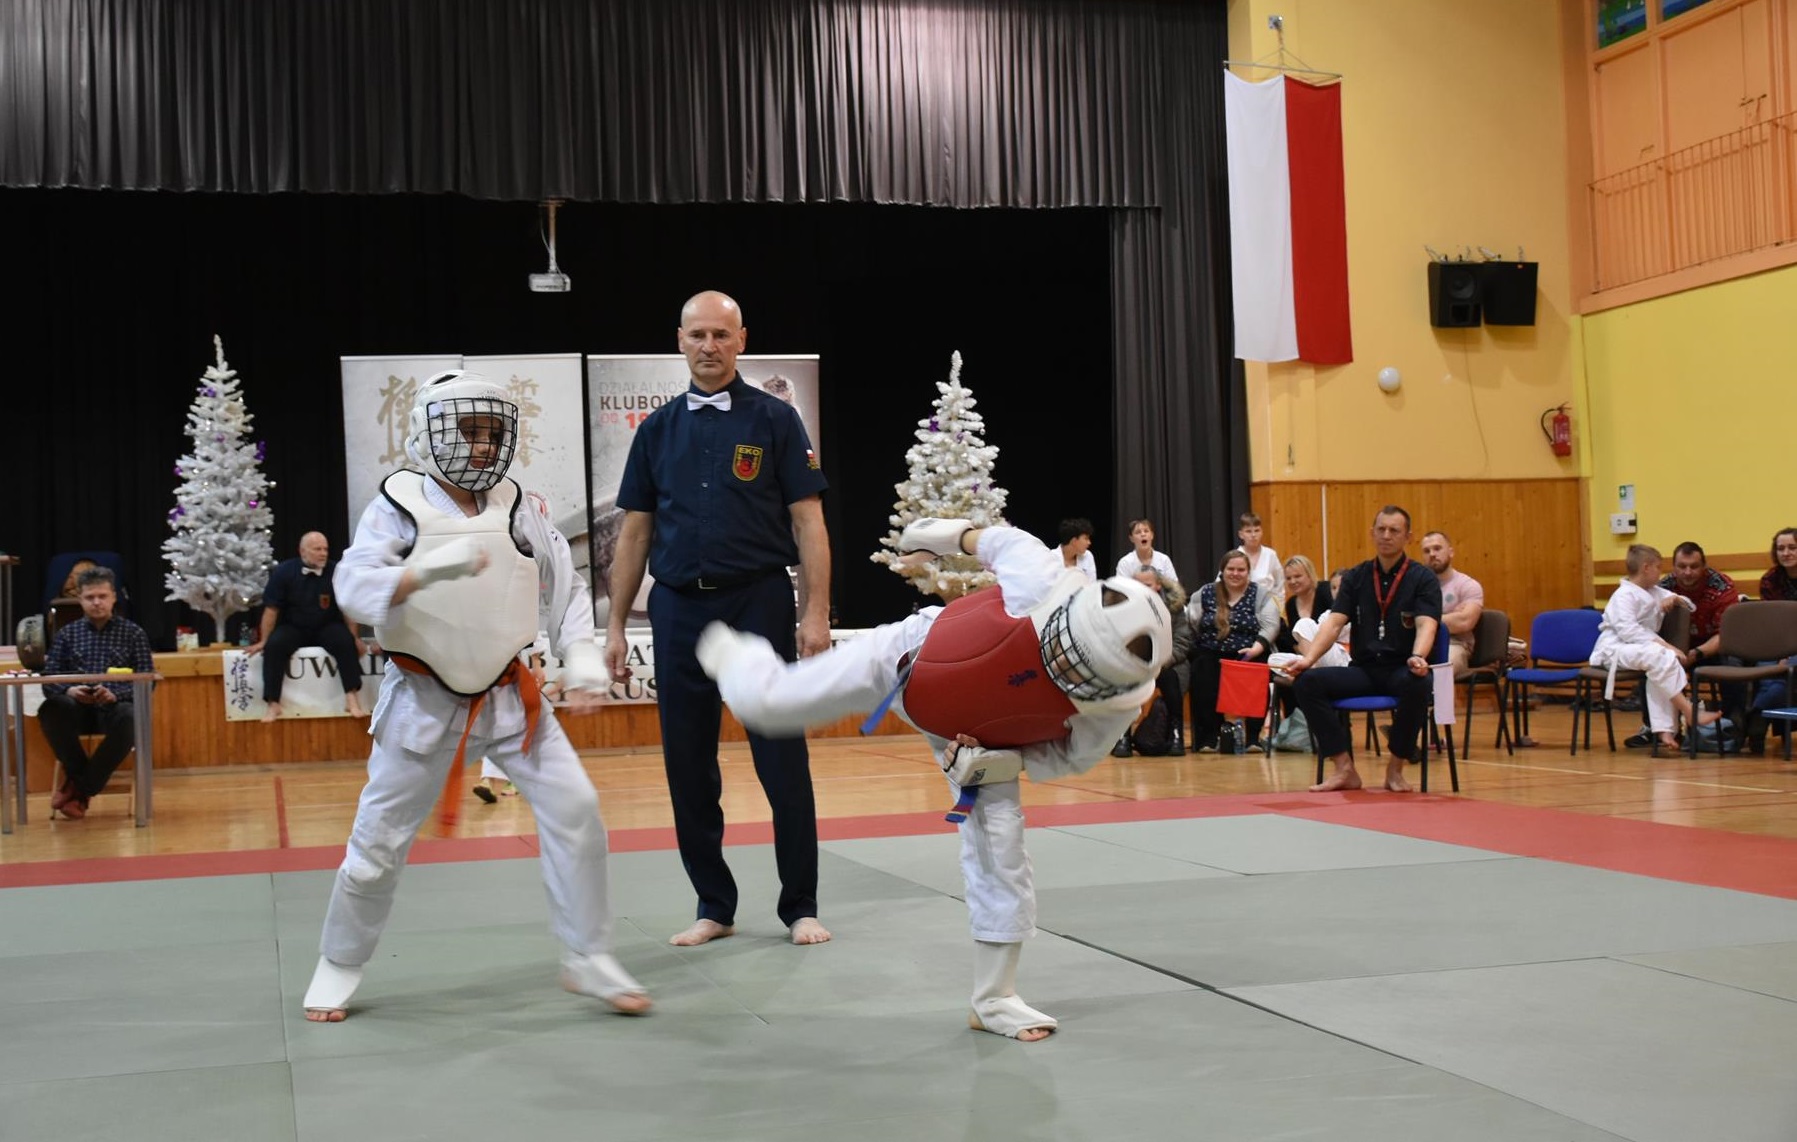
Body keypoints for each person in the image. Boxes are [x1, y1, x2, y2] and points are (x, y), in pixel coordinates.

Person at [695, 517, 1171, 1040]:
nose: (1071, 673)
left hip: (982, 741)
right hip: (909, 658)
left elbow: (1068, 758)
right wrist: (925, 536)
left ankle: (994, 998)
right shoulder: (1043, 576)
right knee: (766, 705)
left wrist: (996, 757)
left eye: (1085, 674)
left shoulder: (1118, 703)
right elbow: (982, 539)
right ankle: (734, 653)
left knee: (1001, 850)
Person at [301, 370, 650, 1022]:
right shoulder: (398, 506)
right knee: (376, 848)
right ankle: (339, 960)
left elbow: (565, 590)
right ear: (430, 433)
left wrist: (578, 657)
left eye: (491, 431)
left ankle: (588, 955)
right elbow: (352, 586)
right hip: (422, 701)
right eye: (469, 430)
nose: (483, 445)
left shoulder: (520, 505)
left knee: (577, 813)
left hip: (513, 699)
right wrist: (422, 571)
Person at [604, 290, 833, 949]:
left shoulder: (776, 421)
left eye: (721, 335)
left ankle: (800, 906)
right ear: (679, 340)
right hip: (677, 608)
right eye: (697, 334)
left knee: (780, 759)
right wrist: (617, 626)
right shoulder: (655, 431)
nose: (709, 346)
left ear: (741, 341)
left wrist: (814, 613)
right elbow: (633, 537)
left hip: (757, 601)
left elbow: (809, 525)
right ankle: (713, 903)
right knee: (687, 763)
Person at [1287, 506, 1441, 793]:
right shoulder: (1357, 577)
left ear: (1407, 536)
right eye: (1381, 529)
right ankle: (1345, 769)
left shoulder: (1422, 578)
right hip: (1364, 670)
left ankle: (1395, 769)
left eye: (1394, 531)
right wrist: (1308, 659)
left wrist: (1418, 656)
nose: (1386, 536)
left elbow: (1426, 624)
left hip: (1401, 669)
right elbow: (1333, 623)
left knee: (1420, 684)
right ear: (1372, 533)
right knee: (1307, 682)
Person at [38, 566, 154, 820]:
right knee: (51, 709)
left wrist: (115, 693)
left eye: (102, 596)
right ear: (79, 599)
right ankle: (82, 785)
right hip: (77, 709)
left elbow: (148, 680)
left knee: (131, 717)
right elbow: (48, 680)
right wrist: (70, 689)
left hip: (114, 707)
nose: (97, 602)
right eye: (90, 597)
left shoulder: (134, 634)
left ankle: (80, 788)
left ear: (114, 596)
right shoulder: (66, 634)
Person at [1590, 545, 1719, 751]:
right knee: (1662, 655)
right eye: (1658, 567)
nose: (1661, 572)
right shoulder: (1623, 596)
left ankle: (1664, 730)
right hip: (1614, 650)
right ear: (1646, 568)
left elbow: (1689, 604)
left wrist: (1675, 598)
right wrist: (1667, 645)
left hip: (1641, 650)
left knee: (1665, 661)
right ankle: (1688, 711)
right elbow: (1629, 632)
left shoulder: (1654, 591)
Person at [246, 531, 368, 722]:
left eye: (325, 549)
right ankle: (273, 703)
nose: (323, 553)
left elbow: (348, 609)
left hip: (326, 626)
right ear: (303, 551)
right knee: (274, 646)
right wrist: (264, 640)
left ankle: (351, 698)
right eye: (317, 549)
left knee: (345, 642)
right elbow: (271, 610)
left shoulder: (337, 571)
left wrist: (355, 637)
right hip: (293, 627)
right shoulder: (285, 572)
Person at [1187, 549, 1279, 751]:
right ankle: (1209, 739)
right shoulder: (1204, 593)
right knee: (1202, 669)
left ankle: (1254, 738)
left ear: (1248, 572)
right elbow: (1193, 622)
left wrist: (1256, 648)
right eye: (1231, 569)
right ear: (1222, 570)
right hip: (1212, 651)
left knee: (1258, 667)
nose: (1235, 573)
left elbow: (1271, 625)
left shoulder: (1260, 595)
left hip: (1248, 652)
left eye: (1241, 570)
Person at [1420, 530, 1485, 678]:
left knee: (1442, 669)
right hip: (1420, 644)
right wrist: (1450, 617)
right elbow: (1406, 621)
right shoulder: (1416, 587)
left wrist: (1424, 620)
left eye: (1437, 548)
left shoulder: (1467, 585)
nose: (1432, 554)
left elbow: (1464, 622)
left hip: (1454, 644)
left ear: (1450, 552)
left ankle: (1441, 701)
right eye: (1426, 551)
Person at [1236, 512, 1283, 604]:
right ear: (1241, 534)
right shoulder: (1234, 556)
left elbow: (1279, 584)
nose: (1253, 535)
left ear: (1262, 532)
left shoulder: (1270, 555)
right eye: (1248, 531)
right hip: (1241, 606)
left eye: (1257, 530)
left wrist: (1279, 608)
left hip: (1267, 606)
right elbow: (1221, 583)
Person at [1116, 518, 1177, 583]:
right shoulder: (1125, 563)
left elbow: (1174, 588)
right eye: (1138, 532)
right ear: (1131, 538)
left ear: (1152, 535)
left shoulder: (1164, 560)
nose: (1143, 534)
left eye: (1146, 531)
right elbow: (1121, 590)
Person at [1058, 518, 1097, 582]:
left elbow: (1092, 585)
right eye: (1086, 538)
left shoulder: (1088, 556)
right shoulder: (1051, 557)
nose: (1089, 542)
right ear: (1074, 541)